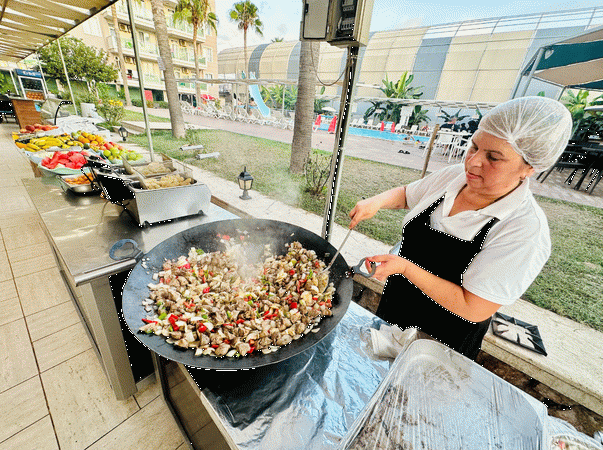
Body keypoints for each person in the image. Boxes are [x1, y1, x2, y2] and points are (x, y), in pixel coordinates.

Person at [349, 96, 572, 360]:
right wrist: (375, 202)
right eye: (474, 147)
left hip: (442, 344)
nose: (474, 162)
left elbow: (474, 307)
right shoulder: (454, 176)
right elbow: (407, 194)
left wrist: (405, 267)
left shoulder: (524, 230)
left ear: (530, 168)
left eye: (494, 158)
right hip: (394, 313)